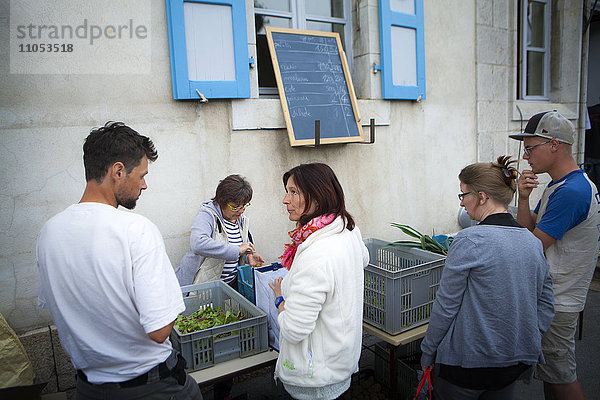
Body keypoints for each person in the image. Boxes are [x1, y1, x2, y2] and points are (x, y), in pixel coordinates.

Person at [36, 122, 202, 400]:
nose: (145, 185)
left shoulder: (49, 232)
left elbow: (57, 305)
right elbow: (160, 330)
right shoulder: (135, 229)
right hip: (152, 388)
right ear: (118, 171)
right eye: (142, 175)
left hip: (89, 389)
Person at [420, 156, 555, 400]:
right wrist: (528, 334)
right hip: (513, 362)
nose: (462, 203)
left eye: (463, 195)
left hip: (466, 365)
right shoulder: (532, 243)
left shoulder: (469, 240)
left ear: (482, 197)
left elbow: (446, 305)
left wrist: (428, 352)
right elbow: (546, 302)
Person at [509, 110, 600, 400]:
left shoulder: (572, 191)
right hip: (555, 296)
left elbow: (532, 247)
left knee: (561, 376)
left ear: (554, 144)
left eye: (530, 148)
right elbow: (529, 230)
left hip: (559, 300)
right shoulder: (560, 185)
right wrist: (523, 199)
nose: (526, 157)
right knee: (552, 373)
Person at [269, 163, 369, 400]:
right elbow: (362, 259)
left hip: (314, 379)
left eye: (294, 192)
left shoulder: (316, 254)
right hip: (339, 361)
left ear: (318, 195)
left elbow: (294, 330)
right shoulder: (345, 229)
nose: (285, 200)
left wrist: (280, 299)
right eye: (287, 191)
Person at [175, 174, 264, 289]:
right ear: (222, 201)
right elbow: (197, 243)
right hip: (201, 285)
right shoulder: (207, 215)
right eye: (235, 207)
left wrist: (249, 256)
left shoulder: (241, 220)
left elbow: (241, 249)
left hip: (227, 286)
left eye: (244, 206)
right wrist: (237, 250)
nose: (241, 211)